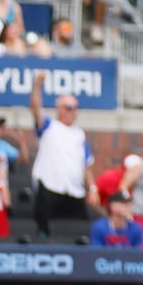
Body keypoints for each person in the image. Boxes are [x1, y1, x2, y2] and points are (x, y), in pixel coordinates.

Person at [29, 71, 96, 237]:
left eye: (76, 108)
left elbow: (86, 164)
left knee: (80, 230)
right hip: (50, 187)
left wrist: (93, 188)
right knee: (46, 229)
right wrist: (38, 85)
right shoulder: (49, 126)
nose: (73, 112)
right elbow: (36, 108)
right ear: (59, 109)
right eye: (69, 108)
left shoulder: (79, 134)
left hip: (74, 191)